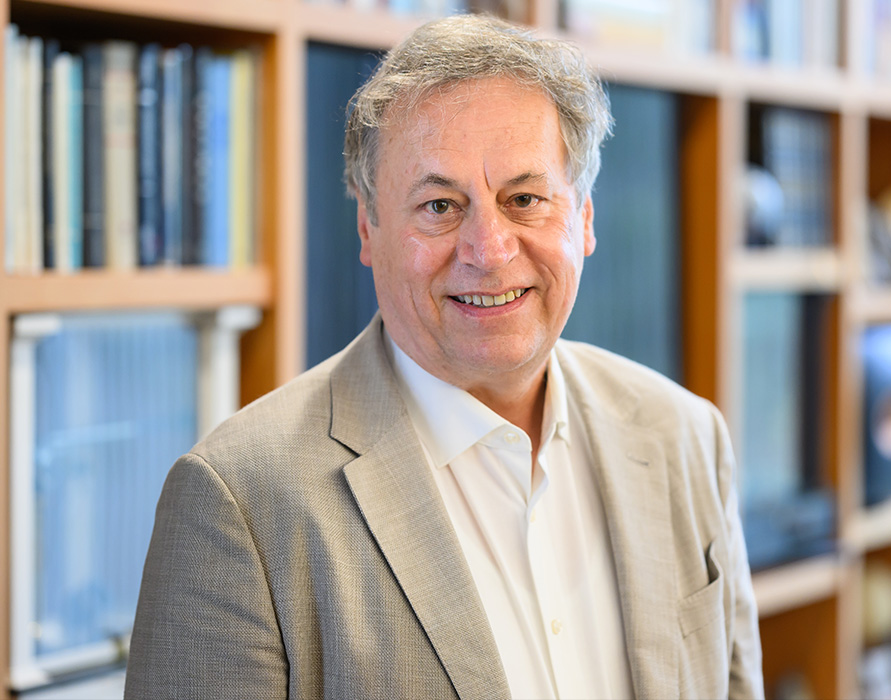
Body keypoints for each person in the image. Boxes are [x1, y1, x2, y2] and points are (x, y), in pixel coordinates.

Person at [125, 14, 763, 700]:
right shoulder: (238, 503)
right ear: (369, 228)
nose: (488, 250)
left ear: (583, 219)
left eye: (524, 198)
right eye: (438, 205)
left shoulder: (686, 436)